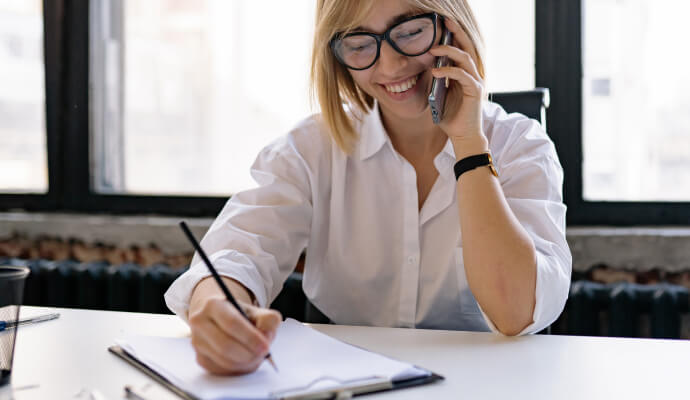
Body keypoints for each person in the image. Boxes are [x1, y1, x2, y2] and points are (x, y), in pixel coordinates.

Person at [165, 0, 571, 375]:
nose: (391, 65)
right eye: (359, 43)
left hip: (485, 385)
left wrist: (468, 145)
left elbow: (516, 312)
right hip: (345, 382)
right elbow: (239, 251)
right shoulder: (310, 149)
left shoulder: (521, 147)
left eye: (410, 32)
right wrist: (219, 308)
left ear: (452, 29)